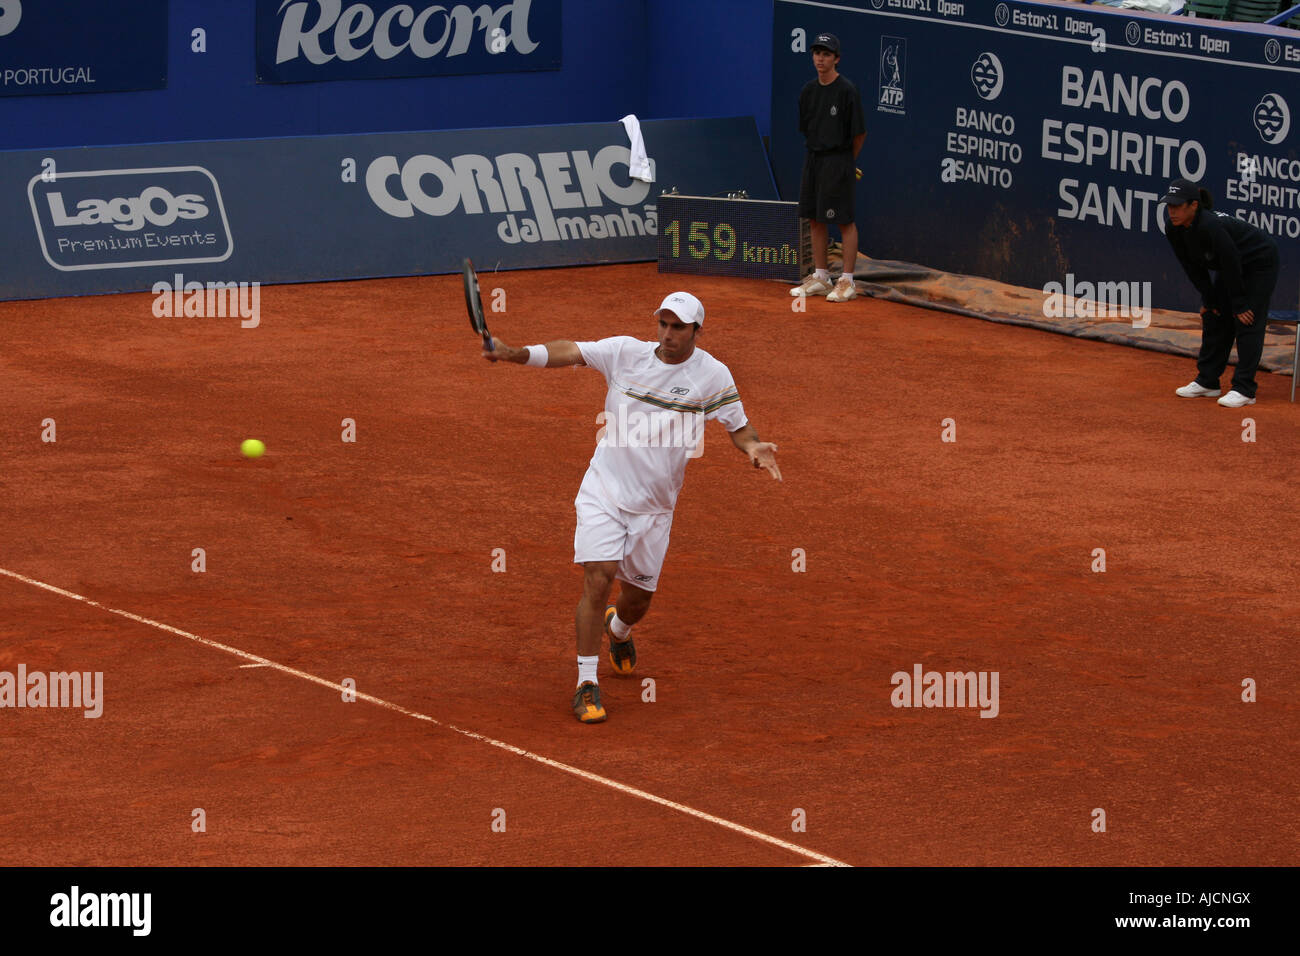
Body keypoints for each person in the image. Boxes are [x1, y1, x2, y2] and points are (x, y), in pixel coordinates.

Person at [482, 292, 782, 723]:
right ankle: (587, 682)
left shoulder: (712, 376)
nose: (667, 334)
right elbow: (570, 351)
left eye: (678, 327)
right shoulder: (625, 353)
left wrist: (753, 447)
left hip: (656, 510)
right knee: (598, 577)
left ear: (697, 331)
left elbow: (739, 425)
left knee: (637, 601)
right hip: (604, 491)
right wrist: (514, 354)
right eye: (663, 324)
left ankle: (618, 628)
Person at [1163, 178, 1279, 407]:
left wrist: (1240, 304)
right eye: (1169, 206)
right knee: (1213, 314)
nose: (1172, 211)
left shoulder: (1210, 226)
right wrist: (1209, 297)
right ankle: (1208, 381)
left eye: (1177, 206)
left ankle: (1245, 389)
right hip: (1232, 266)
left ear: (1194, 205)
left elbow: (1232, 260)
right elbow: (1191, 266)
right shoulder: (1173, 228)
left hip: (1259, 263)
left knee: (1247, 320)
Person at [791, 32, 866, 304]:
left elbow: (859, 134)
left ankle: (847, 281)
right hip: (814, 159)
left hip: (839, 161)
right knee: (814, 218)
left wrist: (847, 162)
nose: (820, 59)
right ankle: (822, 277)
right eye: (817, 53)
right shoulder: (808, 91)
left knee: (844, 220)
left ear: (836, 59)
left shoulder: (847, 91)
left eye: (826, 54)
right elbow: (807, 129)